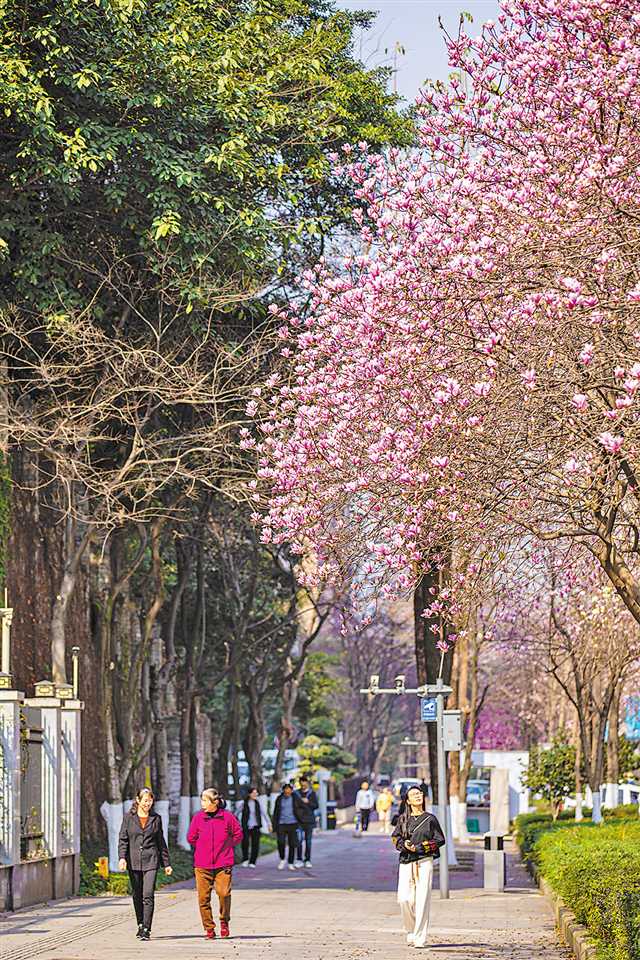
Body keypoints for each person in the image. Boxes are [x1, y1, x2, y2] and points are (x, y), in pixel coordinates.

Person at [391, 783, 445, 950]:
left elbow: (439, 840)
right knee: (404, 899)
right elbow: (395, 838)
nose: (418, 796)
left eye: (420, 794)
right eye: (414, 794)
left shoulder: (430, 819)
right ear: (407, 800)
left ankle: (420, 937)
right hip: (406, 861)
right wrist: (404, 844)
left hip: (424, 862)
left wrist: (420, 847)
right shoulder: (403, 819)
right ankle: (411, 928)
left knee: (422, 900)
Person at [187, 788, 243, 941]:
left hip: (223, 863)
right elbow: (191, 837)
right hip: (202, 865)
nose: (202, 804)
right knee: (203, 898)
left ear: (215, 802)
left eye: (205, 801)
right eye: (202, 800)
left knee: (224, 893)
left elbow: (238, 834)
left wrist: (227, 846)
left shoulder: (227, 817)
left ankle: (224, 922)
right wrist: (202, 847)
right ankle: (209, 928)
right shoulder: (198, 818)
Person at [118, 786, 172, 941]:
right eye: (145, 800)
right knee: (137, 894)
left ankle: (147, 928)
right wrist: (122, 858)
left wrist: (166, 864)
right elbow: (123, 839)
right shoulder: (129, 818)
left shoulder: (156, 818)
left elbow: (161, 842)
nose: (147, 803)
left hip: (151, 860)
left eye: (150, 800)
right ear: (138, 800)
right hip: (133, 860)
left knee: (148, 894)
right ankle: (140, 923)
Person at [272, 782, 301, 870]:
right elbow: (276, 812)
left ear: (292, 791)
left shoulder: (295, 798)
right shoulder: (279, 799)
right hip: (281, 824)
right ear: (283, 791)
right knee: (281, 842)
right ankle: (282, 859)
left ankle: (290, 862)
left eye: (289, 791)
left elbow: (301, 809)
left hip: (293, 823)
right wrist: (274, 826)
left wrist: (302, 820)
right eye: (286, 791)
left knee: (292, 844)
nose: (288, 792)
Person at [294, 775, 319, 867]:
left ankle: (307, 859)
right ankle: (299, 859)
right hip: (299, 821)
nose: (303, 785)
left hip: (309, 821)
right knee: (299, 840)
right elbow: (294, 806)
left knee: (308, 841)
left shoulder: (312, 794)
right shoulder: (296, 794)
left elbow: (316, 806)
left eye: (305, 783)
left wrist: (308, 802)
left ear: (307, 783)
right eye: (301, 783)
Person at [240, 786, 262, 868]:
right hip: (246, 826)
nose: (255, 794)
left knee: (255, 844)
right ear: (249, 794)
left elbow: (264, 813)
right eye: (254, 793)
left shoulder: (258, 803)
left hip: (256, 826)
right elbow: (236, 812)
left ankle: (252, 862)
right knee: (245, 843)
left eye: (256, 793)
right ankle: (245, 860)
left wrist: (269, 824)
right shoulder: (244, 803)